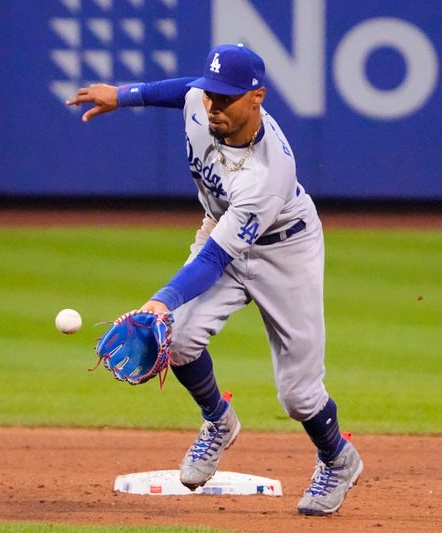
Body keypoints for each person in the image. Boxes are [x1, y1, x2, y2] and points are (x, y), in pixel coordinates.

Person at [68, 44, 363, 516]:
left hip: (285, 250)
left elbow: (212, 259)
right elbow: (183, 89)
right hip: (220, 227)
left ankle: (338, 459)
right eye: (211, 94)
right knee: (178, 342)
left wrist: (162, 300)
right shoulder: (201, 100)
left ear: (257, 98)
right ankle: (218, 422)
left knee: (298, 395)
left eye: (226, 98)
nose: (212, 106)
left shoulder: (267, 175)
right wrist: (121, 95)